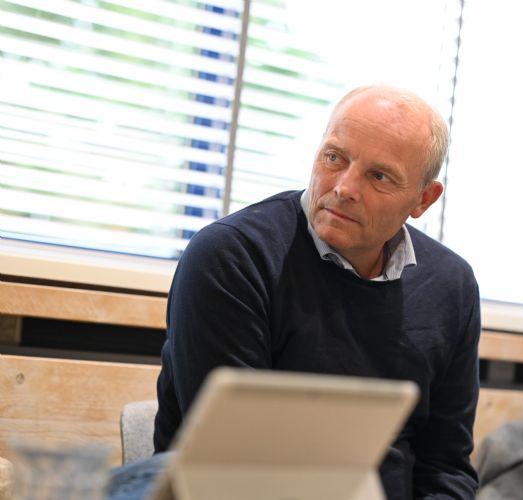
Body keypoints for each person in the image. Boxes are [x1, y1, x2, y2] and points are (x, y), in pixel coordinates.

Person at [108, 85, 481, 499]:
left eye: (378, 176)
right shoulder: (231, 257)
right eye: (335, 158)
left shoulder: (452, 286)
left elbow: (445, 468)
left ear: (423, 199)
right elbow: (236, 462)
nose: (344, 187)